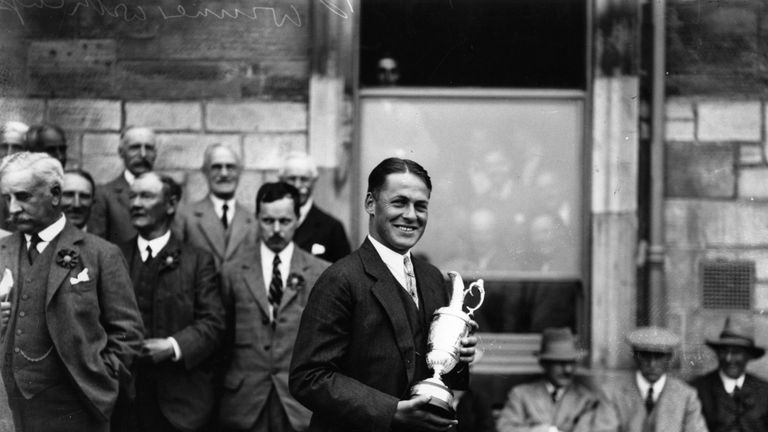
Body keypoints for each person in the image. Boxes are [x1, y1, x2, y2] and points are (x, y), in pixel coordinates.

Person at [290, 157, 477, 432]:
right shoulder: (341, 278)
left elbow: (445, 379)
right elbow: (308, 377)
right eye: (399, 202)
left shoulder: (433, 278)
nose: (411, 215)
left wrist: (459, 356)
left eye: (420, 206)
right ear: (370, 203)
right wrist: (390, 412)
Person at [0, 152, 143, 432]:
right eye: (7, 199)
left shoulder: (100, 254)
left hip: (77, 408)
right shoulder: (1, 251)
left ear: (55, 194)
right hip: (8, 410)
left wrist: (104, 378)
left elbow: (128, 332)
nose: (13, 209)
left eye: (23, 197)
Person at [118, 172, 225, 432]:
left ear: (171, 204)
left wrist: (173, 346)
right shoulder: (113, 255)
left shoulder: (197, 261)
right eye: (132, 196)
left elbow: (214, 322)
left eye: (146, 196)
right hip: (124, 400)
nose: (136, 204)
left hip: (181, 404)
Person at [219, 182, 329, 432]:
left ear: (298, 219)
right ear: (256, 218)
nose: (276, 230)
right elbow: (222, 338)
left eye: (285, 221)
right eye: (268, 221)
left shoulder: (321, 272)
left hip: (298, 403)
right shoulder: (232, 271)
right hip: (244, 403)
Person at [496, 327, 617, 432]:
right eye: (560, 363)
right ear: (544, 364)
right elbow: (504, 428)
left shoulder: (587, 400)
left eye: (571, 363)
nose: (568, 370)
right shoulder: (521, 395)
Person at [603, 326, 707, 432]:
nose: (652, 364)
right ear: (634, 356)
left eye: (659, 356)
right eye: (645, 356)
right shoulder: (613, 393)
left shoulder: (686, 396)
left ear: (670, 357)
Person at [175, 144, 256, 270]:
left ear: (240, 172)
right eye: (216, 167)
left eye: (230, 167)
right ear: (205, 172)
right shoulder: (185, 216)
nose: (224, 174)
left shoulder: (252, 220)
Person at [692, 315, 768, 432]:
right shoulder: (698, 390)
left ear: (748, 356)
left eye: (736, 352)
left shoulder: (764, 391)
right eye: (724, 351)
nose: (728, 359)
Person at [278, 152, 351, 263]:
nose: (297, 185)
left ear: (313, 181)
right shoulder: (268, 223)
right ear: (281, 181)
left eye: (304, 179)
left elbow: (345, 275)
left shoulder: (332, 228)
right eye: (292, 179)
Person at [91, 126, 157, 244]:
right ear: (121, 152)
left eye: (149, 148)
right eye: (135, 148)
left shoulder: (167, 192)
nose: (143, 154)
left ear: (155, 153)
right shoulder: (104, 195)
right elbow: (97, 246)